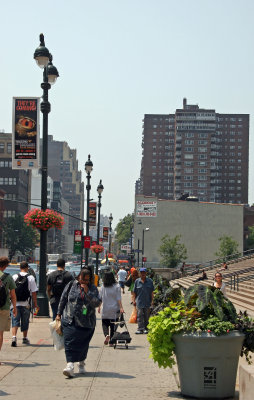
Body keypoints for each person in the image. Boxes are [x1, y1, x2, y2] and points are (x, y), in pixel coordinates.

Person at [56, 268, 101, 378]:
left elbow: (96, 303)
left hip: (87, 322)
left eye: (86, 280)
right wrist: (58, 314)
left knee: (82, 344)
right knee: (69, 341)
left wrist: (87, 293)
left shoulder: (93, 288)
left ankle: (81, 362)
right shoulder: (71, 285)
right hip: (69, 319)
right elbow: (63, 299)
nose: (84, 282)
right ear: (78, 277)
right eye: (82, 279)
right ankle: (70, 365)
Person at [11, 261, 38, 347]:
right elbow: (33, 292)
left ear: (20, 268)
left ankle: (14, 337)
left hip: (15, 304)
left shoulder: (14, 277)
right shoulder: (31, 278)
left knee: (15, 321)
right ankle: (24, 338)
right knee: (25, 321)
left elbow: (11, 290)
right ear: (27, 268)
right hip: (26, 304)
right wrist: (35, 304)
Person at [98, 271, 124, 346]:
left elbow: (100, 298)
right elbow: (119, 298)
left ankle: (106, 335)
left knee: (104, 324)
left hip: (105, 309)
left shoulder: (103, 287)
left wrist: (99, 307)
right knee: (113, 325)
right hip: (114, 309)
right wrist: (121, 308)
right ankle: (111, 341)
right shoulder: (117, 286)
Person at [0, 257, 17, 363]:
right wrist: (15, 308)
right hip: (4, 308)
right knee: (0, 334)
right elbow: (13, 295)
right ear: (6, 266)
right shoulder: (8, 277)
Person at [133, 268, 154, 334]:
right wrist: (133, 300)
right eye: (141, 273)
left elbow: (152, 292)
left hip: (147, 301)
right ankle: (140, 328)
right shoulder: (137, 281)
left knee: (146, 316)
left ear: (146, 273)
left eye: (144, 272)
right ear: (139, 274)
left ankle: (146, 328)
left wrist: (152, 300)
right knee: (139, 315)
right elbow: (134, 292)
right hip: (139, 301)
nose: (143, 274)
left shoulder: (150, 281)